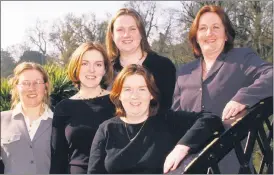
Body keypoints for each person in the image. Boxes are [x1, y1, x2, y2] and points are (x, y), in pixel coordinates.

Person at [172, 5, 273, 173]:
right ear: (196, 37)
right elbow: (174, 121)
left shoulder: (241, 59)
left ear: (226, 34)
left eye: (216, 27)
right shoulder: (184, 73)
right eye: (202, 28)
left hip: (234, 164)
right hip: (191, 166)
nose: (209, 33)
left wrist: (243, 97)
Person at [87, 64, 224, 174]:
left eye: (142, 89)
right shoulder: (106, 129)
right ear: (119, 95)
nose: (135, 96)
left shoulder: (167, 120)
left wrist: (181, 147)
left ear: (151, 94)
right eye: (128, 89)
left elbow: (210, 119)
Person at [50, 42, 115, 174]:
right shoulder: (63, 108)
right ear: (76, 67)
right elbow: (58, 158)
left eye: (98, 64)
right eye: (85, 64)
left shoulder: (118, 101)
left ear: (105, 69)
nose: (92, 70)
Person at [106, 8, 176, 112]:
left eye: (132, 29)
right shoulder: (106, 70)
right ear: (112, 35)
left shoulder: (163, 66)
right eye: (120, 30)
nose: (126, 35)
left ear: (141, 33)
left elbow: (168, 109)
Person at [1, 62, 53, 174]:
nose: (31, 88)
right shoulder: (2, 120)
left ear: (46, 87)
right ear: (16, 87)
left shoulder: (59, 123)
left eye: (37, 82)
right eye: (25, 83)